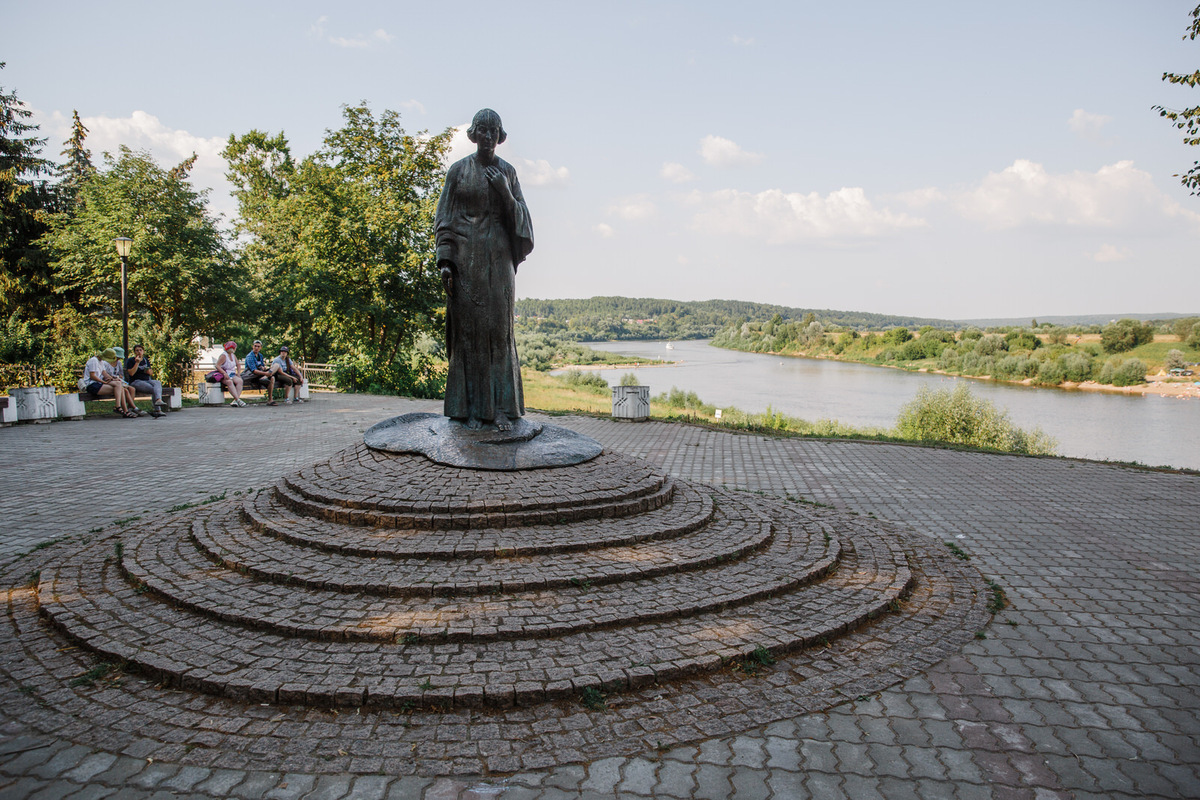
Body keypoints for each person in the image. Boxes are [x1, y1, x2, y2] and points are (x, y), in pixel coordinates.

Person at [435, 108, 534, 431]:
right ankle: (467, 410)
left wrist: (505, 194)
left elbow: (525, 222)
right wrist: (446, 262)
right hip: (466, 264)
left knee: (499, 332)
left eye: (494, 131)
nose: (489, 137)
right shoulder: (458, 171)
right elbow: (444, 219)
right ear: (474, 135)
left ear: (499, 137)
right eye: (483, 130)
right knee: (468, 335)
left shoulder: (508, 172)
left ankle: (504, 409)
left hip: (500, 262)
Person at [83, 347, 138, 418]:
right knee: (120, 389)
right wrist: (103, 382)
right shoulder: (93, 361)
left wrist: (112, 378)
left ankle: (122, 409)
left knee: (119, 385)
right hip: (92, 384)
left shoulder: (101, 362)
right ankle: (122, 409)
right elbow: (92, 376)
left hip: (100, 383)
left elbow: (104, 373)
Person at [124, 344, 166, 418]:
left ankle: (158, 400)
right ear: (134, 352)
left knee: (157, 382)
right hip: (136, 381)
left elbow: (151, 372)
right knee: (154, 389)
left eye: (140, 350)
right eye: (137, 350)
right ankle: (158, 410)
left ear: (143, 351)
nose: (139, 352)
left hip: (147, 380)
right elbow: (131, 373)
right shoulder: (131, 360)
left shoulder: (145, 360)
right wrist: (137, 363)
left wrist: (149, 371)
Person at [241, 340, 277, 406]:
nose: (256, 348)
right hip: (252, 376)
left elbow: (262, 365)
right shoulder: (250, 356)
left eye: (258, 346)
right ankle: (267, 376)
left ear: (260, 348)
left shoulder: (260, 356)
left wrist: (263, 368)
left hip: (261, 375)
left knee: (275, 371)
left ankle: (270, 400)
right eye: (255, 346)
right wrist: (266, 374)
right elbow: (254, 371)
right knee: (270, 376)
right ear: (252, 346)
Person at [212, 341, 246, 407]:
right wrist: (224, 373)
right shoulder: (224, 356)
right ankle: (238, 400)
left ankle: (235, 401)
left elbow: (238, 365)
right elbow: (217, 365)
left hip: (232, 373)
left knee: (240, 381)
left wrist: (238, 373)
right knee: (229, 382)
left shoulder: (233, 355)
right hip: (224, 374)